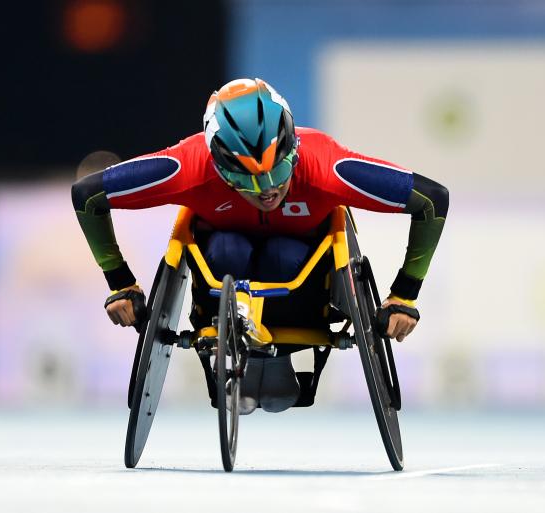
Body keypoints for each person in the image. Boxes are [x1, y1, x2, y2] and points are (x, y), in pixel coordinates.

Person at [72, 78, 448, 414]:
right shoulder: (188, 164)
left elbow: (431, 200)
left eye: (280, 169)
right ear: (218, 164)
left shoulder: (324, 162)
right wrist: (120, 282)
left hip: (304, 284)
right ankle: (234, 343)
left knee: (282, 252)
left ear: (292, 148)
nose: (269, 189)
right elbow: (88, 195)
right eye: (248, 178)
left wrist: (404, 294)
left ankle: (269, 359)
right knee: (228, 248)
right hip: (221, 278)